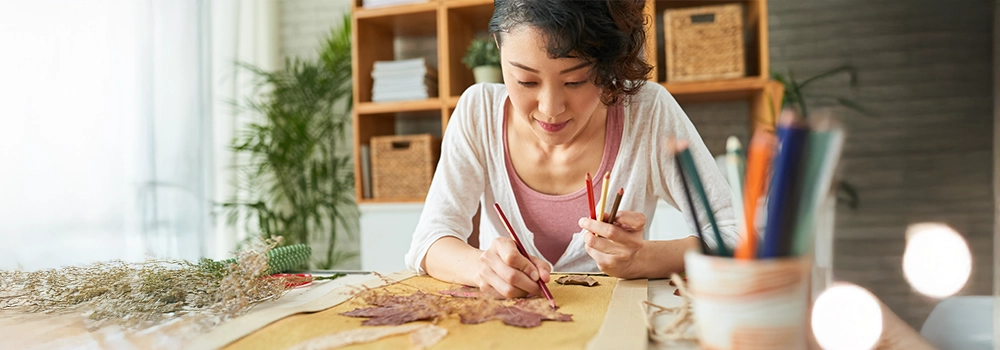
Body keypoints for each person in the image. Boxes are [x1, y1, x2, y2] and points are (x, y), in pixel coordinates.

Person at [404, 0, 737, 299]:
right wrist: (482, 267)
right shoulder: (479, 112)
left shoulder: (647, 112)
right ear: (497, 46)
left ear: (608, 65)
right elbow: (429, 241)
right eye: (526, 81)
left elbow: (736, 235)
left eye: (575, 81)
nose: (550, 109)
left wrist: (643, 258)